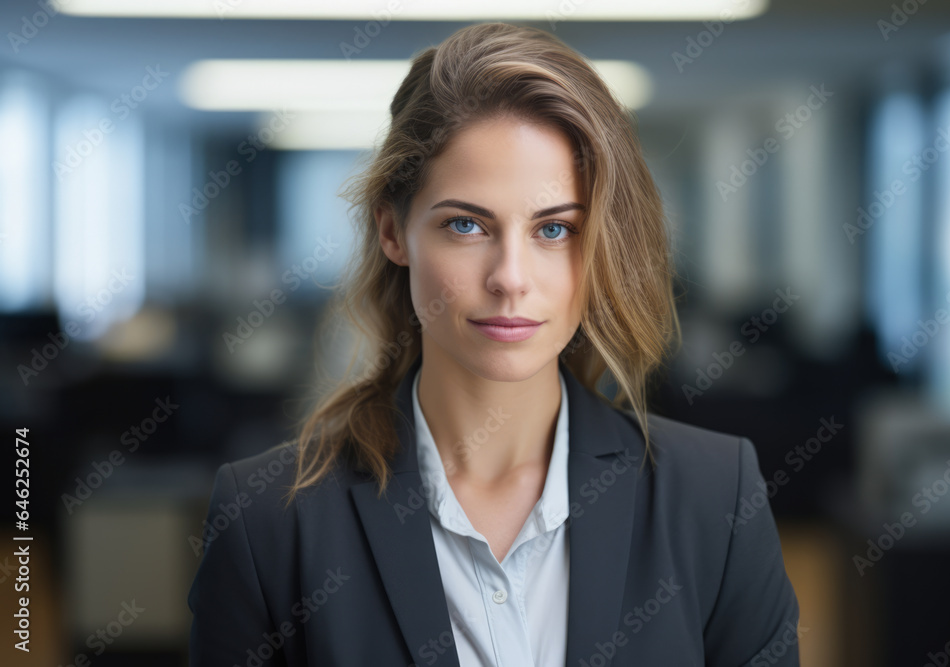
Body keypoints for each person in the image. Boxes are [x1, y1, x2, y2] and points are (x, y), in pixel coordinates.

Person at [187, 21, 801, 667]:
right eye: (466, 225)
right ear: (393, 231)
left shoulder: (713, 495)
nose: (510, 277)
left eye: (554, 230)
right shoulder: (268, 518)